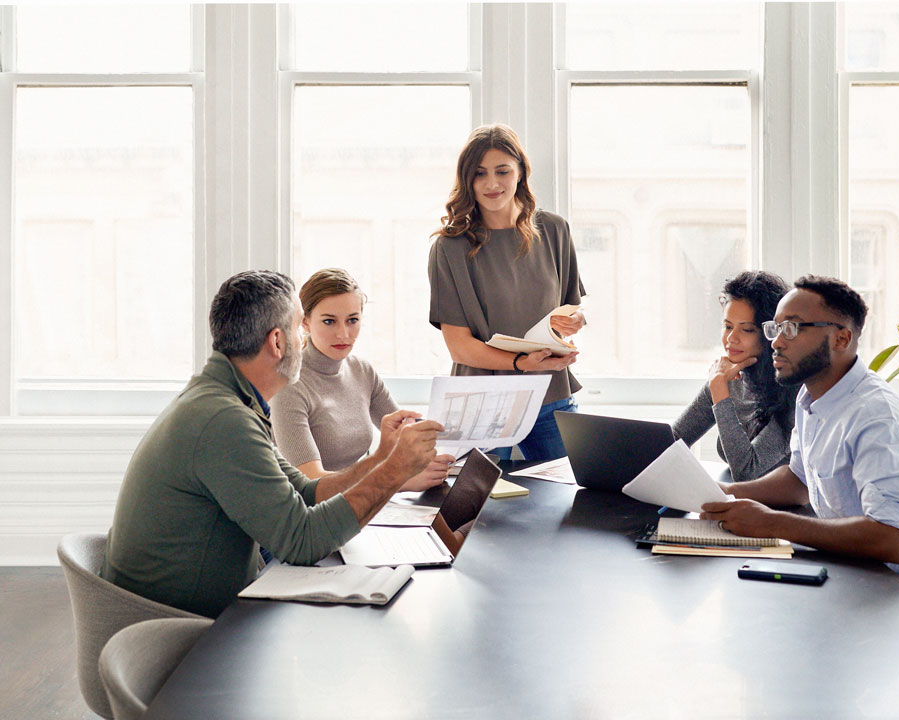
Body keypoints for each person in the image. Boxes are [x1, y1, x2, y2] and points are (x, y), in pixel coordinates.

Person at [101, 271, 442, 617]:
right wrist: (395, 472)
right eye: (298, 328)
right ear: (278, 342)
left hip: (199, 608)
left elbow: (307, 491)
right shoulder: (224, 421)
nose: (302, 339)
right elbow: (302, 542)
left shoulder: (225, 399)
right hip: (177, 630)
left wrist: (382, 459)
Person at [701, 275, 899, 590]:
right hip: (849, 572)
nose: (776, 341)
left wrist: (771, 523)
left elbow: (892, 540)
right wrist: (725, 493)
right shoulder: (811, 397)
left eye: (791, 328)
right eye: (774, 328)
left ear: (841, 339)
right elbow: (798, 481)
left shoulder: (875, 416)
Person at [428, 123, 586, 462]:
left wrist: (573, 323)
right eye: (479, 173)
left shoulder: (555, 230)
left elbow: (567, 311)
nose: (492, 183)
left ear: (521, 173)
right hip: (482, 401)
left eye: (503, 171)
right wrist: (520, 364)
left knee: (572, 501)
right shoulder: (450, 247)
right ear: (467, 179)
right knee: (477, 508)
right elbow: (459, 346)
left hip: (551, 393)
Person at [270, 268, 456, 489]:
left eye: (352, 320)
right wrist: (397, 480)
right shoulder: (288, 387)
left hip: (353, 503)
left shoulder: (362, 371)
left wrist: (437, 451)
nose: (343, 334)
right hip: (307, 512)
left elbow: (404, 436)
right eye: (329, 321)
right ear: (305, 322)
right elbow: (310, 482)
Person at [672, 271, 797, 482]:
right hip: (742, 501)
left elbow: (746, 472)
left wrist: (720, 393)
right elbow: (674, 441)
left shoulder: (793, 389)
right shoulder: (727, 376)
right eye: (728, 326)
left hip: (785, 510)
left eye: (747, 330)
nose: (731, 338)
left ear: (770, 333)